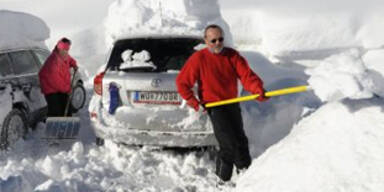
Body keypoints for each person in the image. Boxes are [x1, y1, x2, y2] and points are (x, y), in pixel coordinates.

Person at [176, 24, 268, 182]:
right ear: (206, 41)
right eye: (213, 40)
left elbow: (247, 76)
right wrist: (195, 102)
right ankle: (222, 180)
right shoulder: (199, 59)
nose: (217, 43)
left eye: (220, 39)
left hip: (232, 102)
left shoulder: (232, 56)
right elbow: (182, 82)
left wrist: (257, 89)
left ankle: (246, 174)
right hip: (214, 106)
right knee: (228, 144)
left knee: (240, 140)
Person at [39, 37, 78, 117]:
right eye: (64, 50)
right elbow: (55, 81)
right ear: (59, 49)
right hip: (50, 88)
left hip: (59, 87)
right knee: (55, 111)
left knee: (66, 107)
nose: (66, 52)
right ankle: (54, 127)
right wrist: (67, 89)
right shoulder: (53, 61)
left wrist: (74, 64)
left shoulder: (64, 55)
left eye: (67, 50)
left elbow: (69, 59)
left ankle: (66, 124)